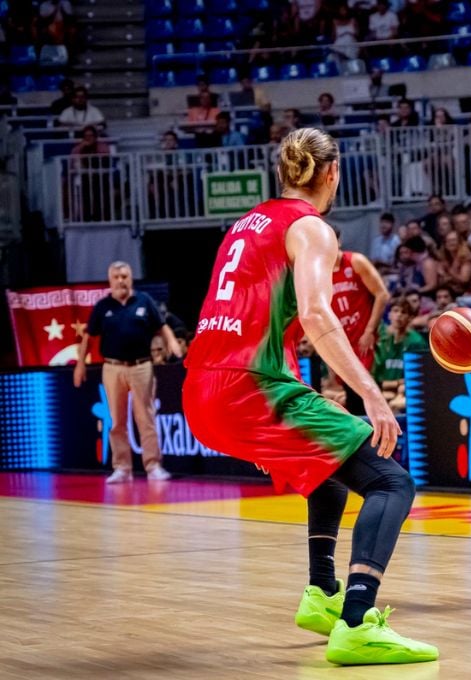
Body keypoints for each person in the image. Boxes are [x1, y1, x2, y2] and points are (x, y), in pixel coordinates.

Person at [182, 128, 438, 664]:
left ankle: (322, 593)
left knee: (329, 467)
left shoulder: (245, 225)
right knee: (391, 481)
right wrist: (368, 392)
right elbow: (317, 314)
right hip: (247, 386)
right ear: (331, 174)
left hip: (202, 386)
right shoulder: (312, 229)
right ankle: (357, 622)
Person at [73, 261, 182, 482]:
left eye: (124, 276)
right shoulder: (103, 306)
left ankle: (153, 467)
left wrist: (172, 342)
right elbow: (88, 335)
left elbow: (161, 325)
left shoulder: (144, 301)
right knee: (116, 420)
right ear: (110, 281)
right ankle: (122, 467)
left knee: (146, 418)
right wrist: (80, 364)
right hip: (113, 367)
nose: (121, 280)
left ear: (131, 278)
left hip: (142, 366)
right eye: (116, 277)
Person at [331, 235, 390, 415]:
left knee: (369, 393)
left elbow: (382, 295)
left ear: (338, 241)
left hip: (365, 336)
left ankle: (381, 439)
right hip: (342, 341)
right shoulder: (318, 272)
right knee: (351, 396)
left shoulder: (355, 261)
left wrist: (370, 330)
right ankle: (364, 440)